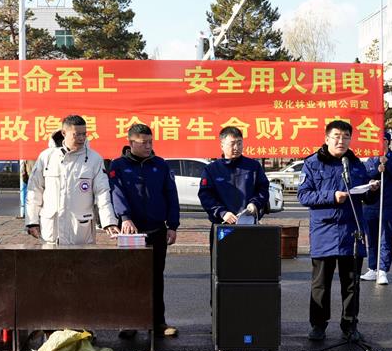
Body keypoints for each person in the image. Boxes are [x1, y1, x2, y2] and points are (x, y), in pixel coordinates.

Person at [297, 120, 379, 342]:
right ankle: (318, 325)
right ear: (326, 139)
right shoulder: (312, 163)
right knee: (321, 284)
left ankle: (350, 324)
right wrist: (332, 196)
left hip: (352, 231)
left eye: (346, 137)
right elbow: (304, 195)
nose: (341, 141)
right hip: (324, 231)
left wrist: (372, 189)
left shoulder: (355, 164)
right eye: (336, 136)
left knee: (351, 284)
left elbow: (366, 198)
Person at [109, 123, 181, 338]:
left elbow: (171, 195)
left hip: (157, 229)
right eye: (144, 143)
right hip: (131, 232)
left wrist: (173, 225)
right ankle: (129, 322)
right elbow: (116, 193)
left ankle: (158, 322)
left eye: (151, 142)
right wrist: (125, 217)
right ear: (131, 143)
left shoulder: (161, 165)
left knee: (156, 276)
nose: (149, 146)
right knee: (130, 277)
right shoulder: (118, 165)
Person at [25, 115, 119, 244]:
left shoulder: (94, 159)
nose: (81, 138)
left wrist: (109, 222)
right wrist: (32, 222)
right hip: (52, 230)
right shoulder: (47, 157)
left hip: (81, 230)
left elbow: (102, 192)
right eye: (77, 134)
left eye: (84, 134)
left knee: (82, 257)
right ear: (64, 133)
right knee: (50, 257)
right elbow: (35, 190)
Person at [198, 126, 270, 227]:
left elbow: (263, 189)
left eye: (239, 143)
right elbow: (205, 196)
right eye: (232, 144)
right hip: (222, 224)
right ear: (222, 145)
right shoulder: (212, 169)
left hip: (248, 223)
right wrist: (222, 212)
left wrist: (255, 203)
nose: (236, 147)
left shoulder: (253, 166)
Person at [361, 132, 392, 285]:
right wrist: (377, 168)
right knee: (372, 238)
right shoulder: (371, 158)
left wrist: (387, 166)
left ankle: (383, 270)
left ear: (388, 141)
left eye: (384, 139)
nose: (381, 142)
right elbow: (366, 175)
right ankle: (372, 268)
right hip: (371, 204)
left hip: (388, 204)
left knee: (386, 237)